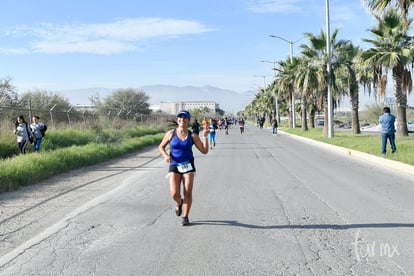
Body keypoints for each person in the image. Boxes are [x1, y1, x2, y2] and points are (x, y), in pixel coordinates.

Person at [158, 110, 209, 226]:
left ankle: (185, 216)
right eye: (180, 117)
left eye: (185, 118)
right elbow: (161, 146)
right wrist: (166, 155)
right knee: (174, 194)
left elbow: (204, 151)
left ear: (188, 121)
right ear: (178, 120)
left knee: (188, 192)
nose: (182, 119)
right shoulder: (171, 133)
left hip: (188, 166)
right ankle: (179, 202)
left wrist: (205, 137)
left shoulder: (193, 136)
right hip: (174, 165)